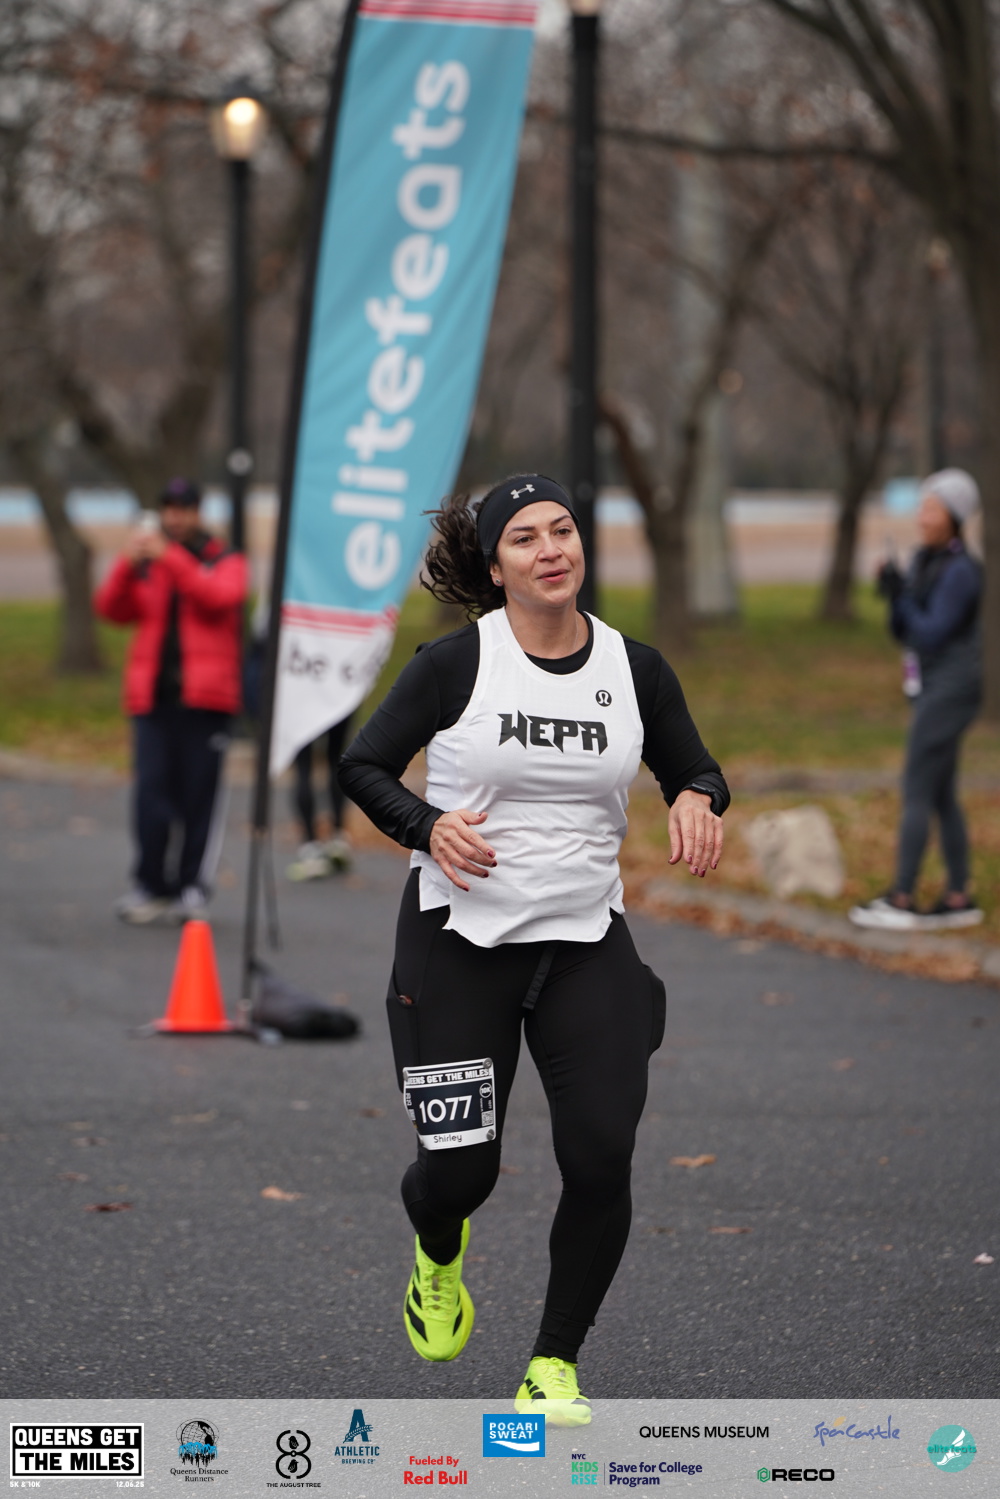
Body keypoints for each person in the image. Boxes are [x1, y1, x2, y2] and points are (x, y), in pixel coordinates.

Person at [339, 475, 728, 1425]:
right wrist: (428, 825)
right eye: (525, 537)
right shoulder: (456, 665)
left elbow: (695, 766)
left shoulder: (634, 669)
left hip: (585, 942)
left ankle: (554, 1361)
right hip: (459, 939)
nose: (551, 549)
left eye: (563, 530)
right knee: (460, 1174)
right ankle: (438, 1252)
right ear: (494, 566)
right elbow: (363, 763)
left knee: (601, 1156)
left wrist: (696, 797)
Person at [95, 477, 248, 924]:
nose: (175, 516)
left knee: (199, 797)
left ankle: (191, 887)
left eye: (183, 508)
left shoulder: (224, 559)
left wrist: (172, 558)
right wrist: (126, 564)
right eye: (168, 508)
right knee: (151, 796)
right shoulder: (151, 565)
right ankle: (151, 885)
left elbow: (219, 597)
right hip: (154, 700)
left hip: (207, 701)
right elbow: (112, 609)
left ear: (198, 511)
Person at [850, 468, 983, 931]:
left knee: (917, 788)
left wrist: (903, 595)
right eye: (922, 507)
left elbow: (931, 632)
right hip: (931, 685)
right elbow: (904, 630)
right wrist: (894, 593)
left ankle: (902, 897)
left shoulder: (962, 570)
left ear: (954, 516)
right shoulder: (926, 560)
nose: (922, 516)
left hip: (953, 689)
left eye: (932, 508)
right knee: (942, 793)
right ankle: (959, 896)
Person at [286, 719, 354, 880]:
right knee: (337, 760)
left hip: (301, 708)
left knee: (303, 768)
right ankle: (338, 839)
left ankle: (311, 847)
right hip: (337, 704)